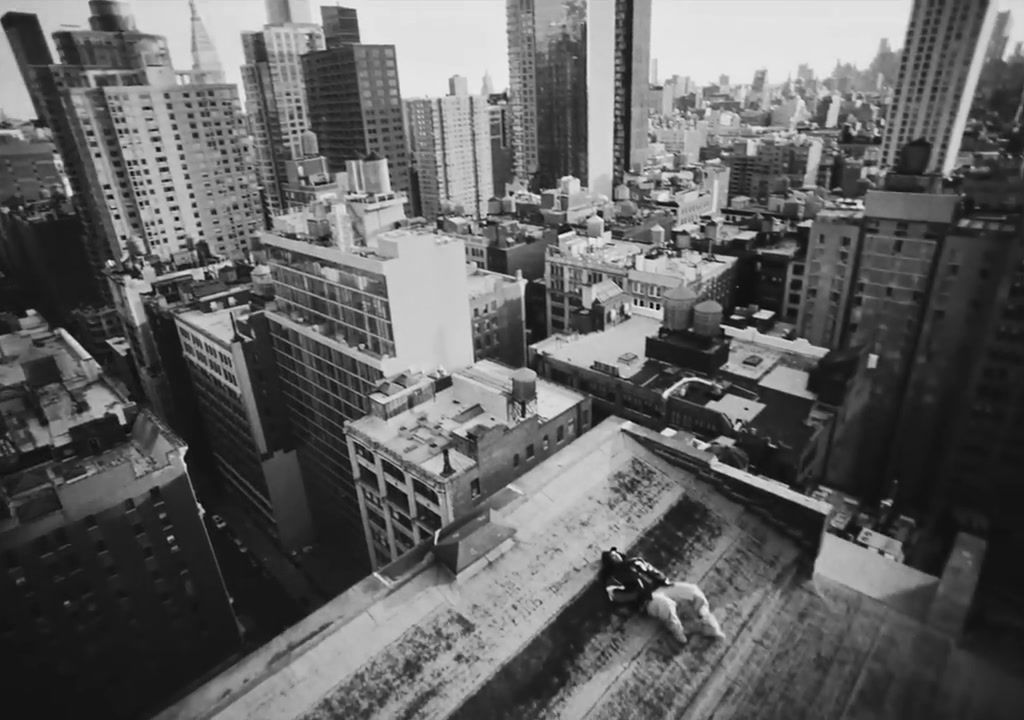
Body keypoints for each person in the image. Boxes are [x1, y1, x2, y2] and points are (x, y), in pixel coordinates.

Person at [599, 547, 726, 646]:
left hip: (662, 586)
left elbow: (652, 569)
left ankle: (708, 621)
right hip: (647, 599)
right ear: (609, 562)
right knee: (665, 605)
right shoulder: (613, 577)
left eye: (615, 553)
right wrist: (637, 595)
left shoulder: (635, 561)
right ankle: (678, 632)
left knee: (692, 590)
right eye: (612, 556)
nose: (615, 555)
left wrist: (663, 579)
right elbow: (616, 596)